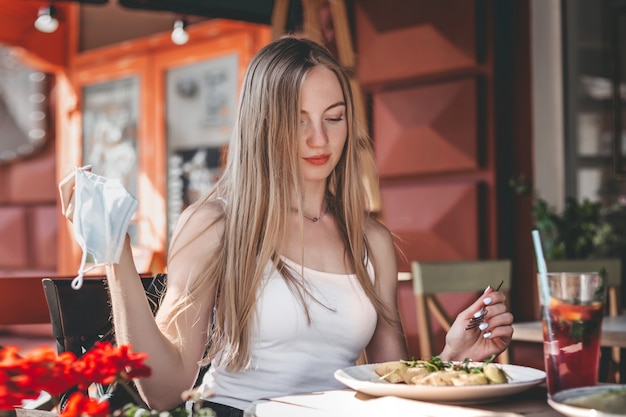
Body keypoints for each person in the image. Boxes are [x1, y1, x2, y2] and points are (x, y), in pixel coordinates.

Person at [59, 37, 514, 417]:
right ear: (263, 125)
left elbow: (389, 381)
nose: (320, 139)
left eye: (334, 118)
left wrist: (450, 360)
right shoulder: (216, 226)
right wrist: (115, 253)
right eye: (298, 122)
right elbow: (163, 391)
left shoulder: (370, 242)